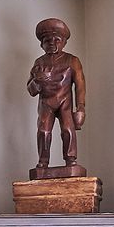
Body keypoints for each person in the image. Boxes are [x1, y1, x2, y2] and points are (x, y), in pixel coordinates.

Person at [27, 17, 86, 176]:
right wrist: (37, 82)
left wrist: (80, 108)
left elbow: (80, 85)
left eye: (57, 39)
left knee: (68, 130)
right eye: (47, 40)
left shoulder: (72, 61)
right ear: (41, 44)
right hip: (46, 104)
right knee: (43, 132)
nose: (52, 43)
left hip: (65, 102)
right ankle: (43, 161)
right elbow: (31, 90)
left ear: (64, 42)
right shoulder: (39, 62)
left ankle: (70, 159)